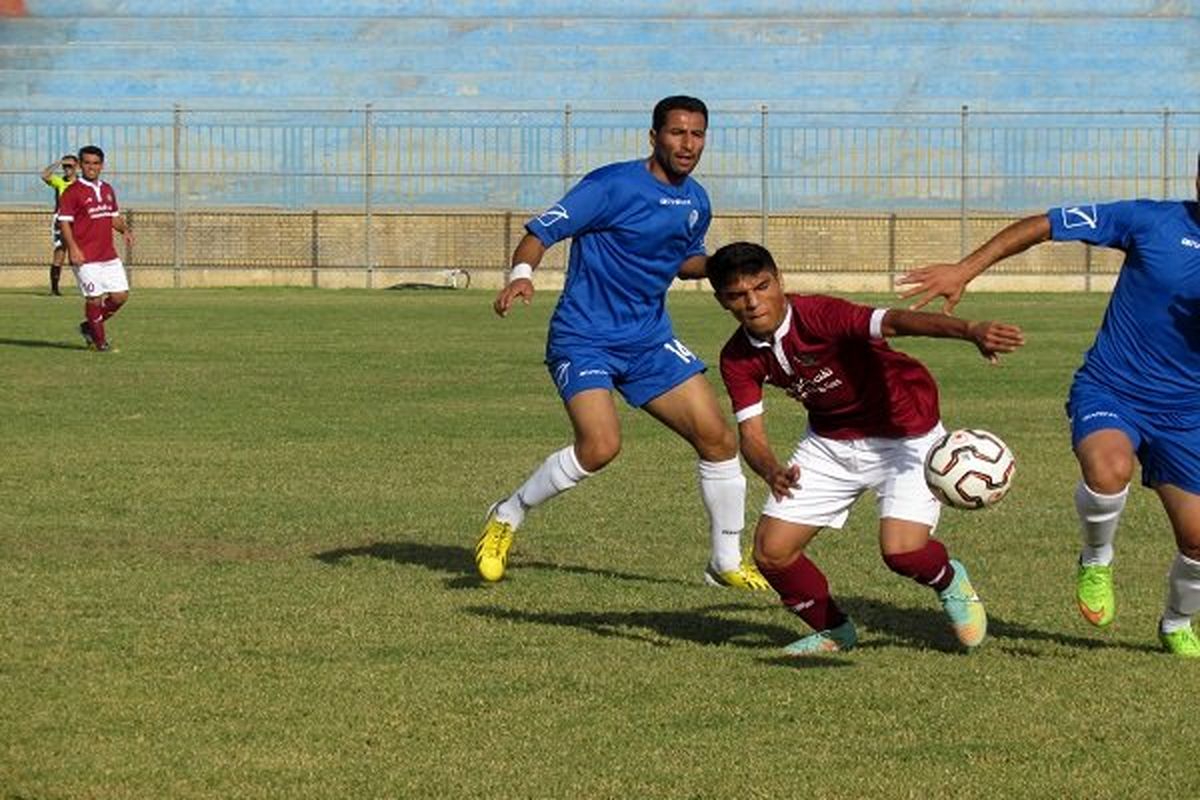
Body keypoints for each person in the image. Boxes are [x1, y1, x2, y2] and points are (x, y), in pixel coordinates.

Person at [899, 159, 1200, 658]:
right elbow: (1044, 224)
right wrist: (965, 269)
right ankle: (1096, 560)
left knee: (1196, 540)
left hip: (1187, 413)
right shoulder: (1149, 220)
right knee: (1109, 470)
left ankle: (1176, 622)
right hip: (1112, 390)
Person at [475, 96, 767, 590]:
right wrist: (521, 275)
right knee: (601, 445)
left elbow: (682, 261)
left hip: (649, 339)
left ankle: (725, 561)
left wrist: (722, 267)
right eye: (677, 133)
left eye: (697, 134)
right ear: (654, 137)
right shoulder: (610, 185)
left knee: (717, 439)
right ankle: (508, 512)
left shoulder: (696, 202)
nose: (688, 144)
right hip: (583, 337)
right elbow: (542, 231)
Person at [706, 241, 1026, 654]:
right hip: (828, 444)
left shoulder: (821, 315)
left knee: (902, 552)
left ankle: (949, 580)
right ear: (722, 301)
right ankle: (834, 630)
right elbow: (751, 433)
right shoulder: (736, 357)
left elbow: (895, 322)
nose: (753, 302)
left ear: (779, 281)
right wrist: (770, 470)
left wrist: (969, 331)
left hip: (906, 435)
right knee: (771, 554)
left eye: (762, 287)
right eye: (737, 295)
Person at [57, 145, 134, 353]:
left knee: (120, 296)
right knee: (94, 298)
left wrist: (124, 229)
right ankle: (100, 343)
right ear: (81, 165)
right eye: (87, 163)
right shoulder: (72, 192)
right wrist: (73, 249)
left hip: (108, 255)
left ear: (102, 165)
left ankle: (89, 325)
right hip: (85, 257)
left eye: (96, 163)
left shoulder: (108, 189)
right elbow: (64, 223)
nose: (91, 167)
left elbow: (112, 217)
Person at [40, 154, 78, 296]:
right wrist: (58, 162)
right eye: (65, 166)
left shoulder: (81, 184)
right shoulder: (59, 182)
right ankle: (54, 289)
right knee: (60, 252)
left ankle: (88, 285)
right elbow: (45, 175)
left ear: (77, 167)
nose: (67, 168)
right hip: (61, 220)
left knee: (81, 251)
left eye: (70, 166)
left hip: (78, 220)